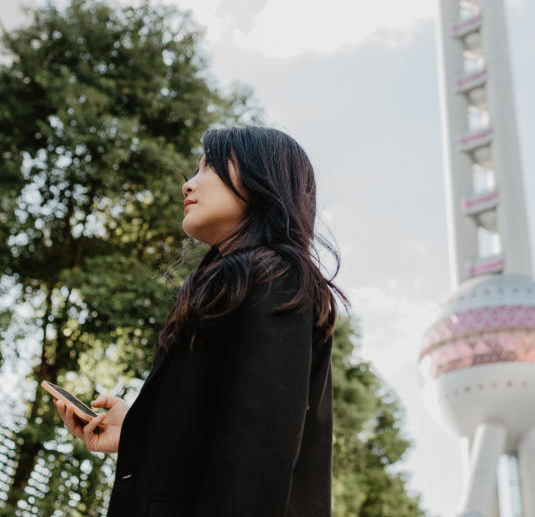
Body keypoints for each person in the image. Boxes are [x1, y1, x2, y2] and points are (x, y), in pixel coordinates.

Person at [52, 124, 349, 516]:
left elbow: (257, 454)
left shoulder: (276, 276)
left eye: (209, 167)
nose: (188, 185)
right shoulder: (234, 282)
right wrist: (137, 430)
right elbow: (223, 432)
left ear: (262, 179)